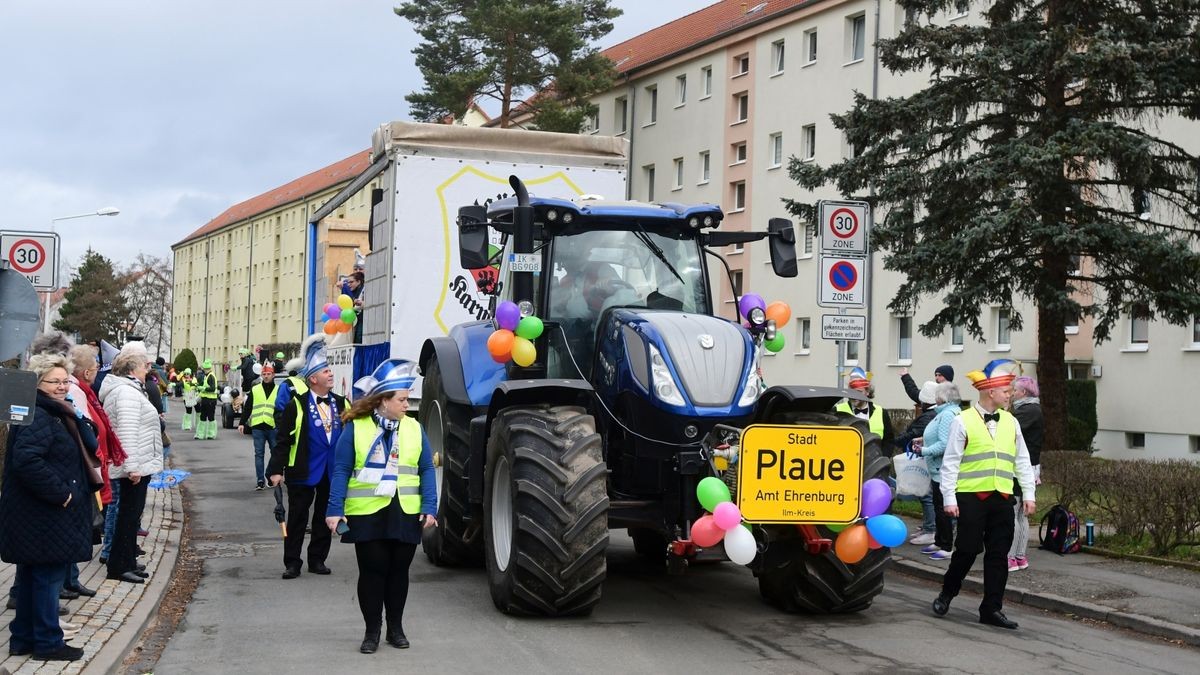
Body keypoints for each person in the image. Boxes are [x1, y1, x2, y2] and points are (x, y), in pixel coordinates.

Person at [325, 359, 437, 653]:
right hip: (367, 513)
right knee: (373, 573)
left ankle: (395, 629)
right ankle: (372, 632)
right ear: (384, 400)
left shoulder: (413, 428)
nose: (406, 404)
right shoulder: (356, 428)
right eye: (401, 399)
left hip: (405, 511)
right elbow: (340, 469)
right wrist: (334, 509)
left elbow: (426, 468)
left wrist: (430, 506)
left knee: (399, 573)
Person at [0, 354, 98, 661]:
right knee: (46, 579)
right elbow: (27, 460)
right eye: (53, 381)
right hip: (44, 512)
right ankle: (47, 642)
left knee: (33, 576)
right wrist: (62, 494)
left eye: (65, 380)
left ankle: (23, 638)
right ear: (38, 384)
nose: (61, 386)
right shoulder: (41, 413)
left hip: (37, 513)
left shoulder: (47, 409)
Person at [931, 359, 1035, 630]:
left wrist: (1029, 494)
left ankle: (991, 609)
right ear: (991, 392)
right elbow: (951, 463)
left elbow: (1022, 460)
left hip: (1002, 498)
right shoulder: (962, 420)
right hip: (970, 499)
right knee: (966, 550)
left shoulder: (1011, 422)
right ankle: (947, 593)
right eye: (1006, 391)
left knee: (999, 555)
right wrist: (950, 499)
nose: (1010, 395)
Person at [268, 334, 346, 579]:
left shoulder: (342, 403)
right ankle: (292, 562)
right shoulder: (296, 405)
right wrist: (276, 469)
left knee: (325, 516)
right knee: (297, 518)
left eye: (330, 370)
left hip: (330, 470)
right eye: (326, 371)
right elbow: (283, 440)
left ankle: (317, 559)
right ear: (313, 379)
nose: (331, 374)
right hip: (302, 469)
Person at [99, 346, 165, 584]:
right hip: (132, 468)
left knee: (131, 516)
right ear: (131, 368)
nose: (147, 369)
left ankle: (126, 561)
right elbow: (126, 431)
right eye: (143, 365)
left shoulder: (130, 389)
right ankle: (118, 565)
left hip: (138, 464)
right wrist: (132, 467)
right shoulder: (126, 392)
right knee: (126, 518)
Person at [920, 381, 963, 561]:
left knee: (942, 508)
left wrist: (924, 450)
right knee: (939, 506)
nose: (935, 397)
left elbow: (946, 444)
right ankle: (939, 540)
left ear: (943, 397)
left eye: (937, 394)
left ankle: (946, 545)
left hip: (942, 468)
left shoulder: (947, 415)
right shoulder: (945, 413)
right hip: (938, 468)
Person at [893, 381, 939, 547]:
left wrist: (894, 441)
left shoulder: (928, 416)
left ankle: (930, 530)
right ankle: (929, 527)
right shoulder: (934, 414)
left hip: (926, 458)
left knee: (926, 494)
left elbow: (914, 434)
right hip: (929, 458)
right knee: (928, 494)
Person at [1008, 375, 1044, 572]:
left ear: (1023, 393)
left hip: (1021, 468)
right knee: (1021, 513)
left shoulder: (1027, 411)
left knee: (1014, 512)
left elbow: (1009, 431)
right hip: (1030, 467)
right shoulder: (1032, 409)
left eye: (1014, 391)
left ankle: (1011, 556)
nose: (1012, 394)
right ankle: (1019, 556)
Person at [240, 363, 278, 490]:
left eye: (269, 374)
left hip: (272, 426)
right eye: (264, 374)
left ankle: (269, 474)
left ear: (273, 375)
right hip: (257, 427)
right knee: (259, 454)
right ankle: (260, 480)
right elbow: (248, 407)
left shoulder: (279, 390)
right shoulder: (255, 389)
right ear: (261, 375)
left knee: (276, 453)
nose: (266, 376)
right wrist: (241, 423)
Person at [834, 368, 893, 443]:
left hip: (875, 454)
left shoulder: (881, 412)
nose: (854, 396)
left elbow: (889, 440)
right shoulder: (837, 410)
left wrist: (883, 454)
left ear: (867, 392)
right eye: (851, 392)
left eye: (858, 392)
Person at [195, 359, 219, 440]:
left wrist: (203, 389)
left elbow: (212, 388)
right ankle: (200, 434)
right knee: (203, 416)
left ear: (208, 369)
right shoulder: (206, 376)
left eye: (205, 369)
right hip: (205, 400)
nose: (204, 370)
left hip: (211, 400)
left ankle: (211, 434)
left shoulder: (211, 376)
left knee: (211, 417)